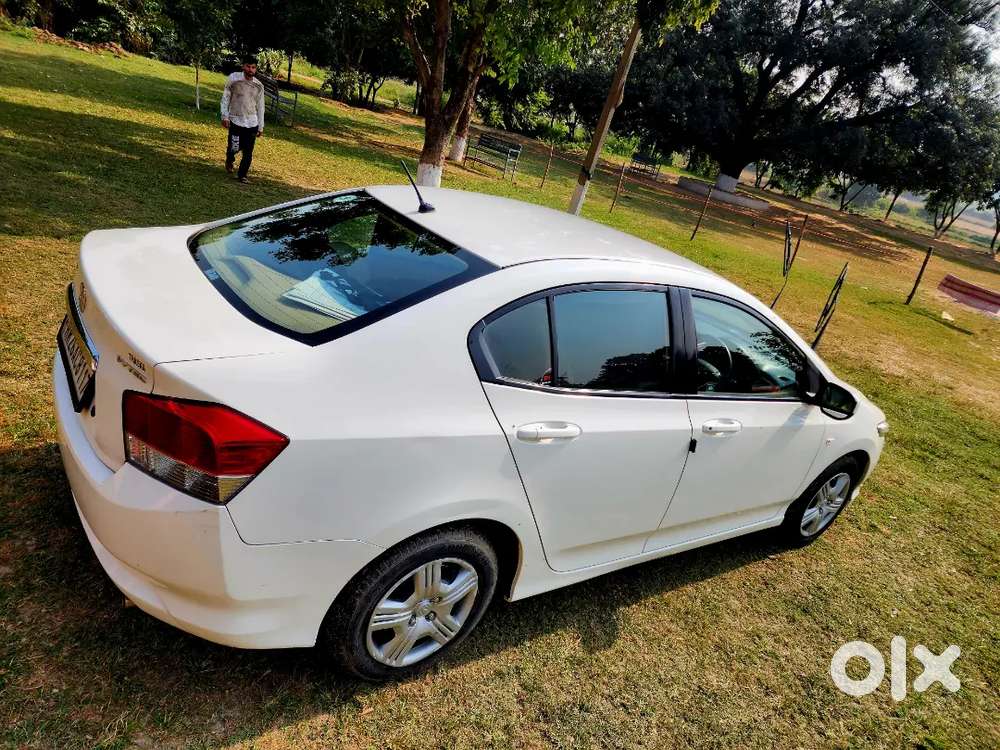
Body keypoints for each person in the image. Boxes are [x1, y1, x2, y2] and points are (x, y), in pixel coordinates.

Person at [221, 56, 265, 183]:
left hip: (252, 122)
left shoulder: (258, 86)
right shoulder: (233, 79)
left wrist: (260, 126)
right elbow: (226, 98)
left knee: (248, 151)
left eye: (253, 67)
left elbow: (260, 106)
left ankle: (242, 175)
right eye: (248, 66)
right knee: (234, 147)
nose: (250, 70)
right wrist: (225, 116)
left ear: (256, 69)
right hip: (235, 120)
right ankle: (230, 159)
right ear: (243, 66)